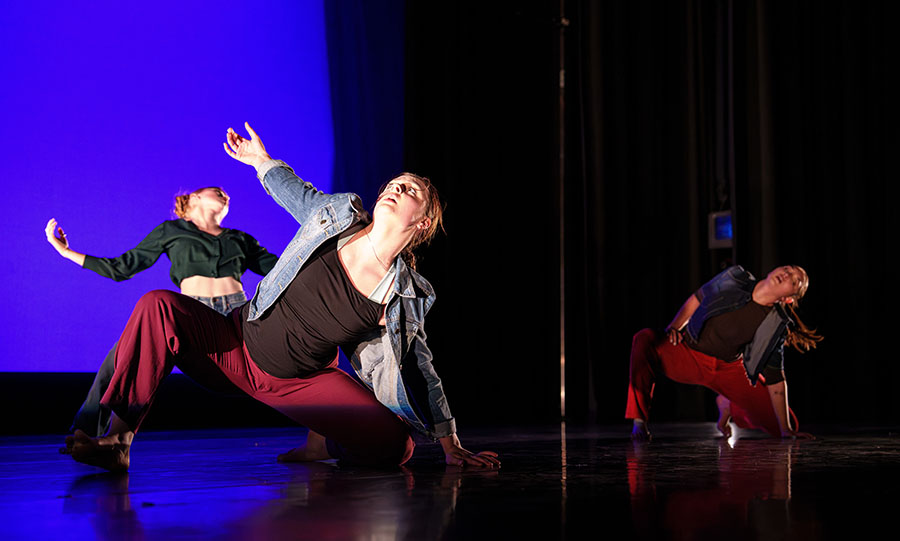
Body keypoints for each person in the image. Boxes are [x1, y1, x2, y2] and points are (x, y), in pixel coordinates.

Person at [66, 122, 500, 472]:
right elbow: (297, 192)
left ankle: (326, 445)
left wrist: (450, 442)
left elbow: (419, 365)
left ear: (423, 223)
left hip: (300, 383)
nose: (397, 188)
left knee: (397, 447)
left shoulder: (403, 292)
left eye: (412, 191)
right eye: (395, 183)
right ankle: (117, 441)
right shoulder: (337, 216)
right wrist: (261, 160)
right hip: (235, 344)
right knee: (156, 305)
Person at [46, 186, 278, 437]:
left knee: (291, 356)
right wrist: (67, 252)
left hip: (236, 314)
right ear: (196, 197)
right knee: (122, 354)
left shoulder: (241, 239)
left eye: (227, 194)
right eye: (217, 191)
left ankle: (318, 439)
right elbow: (122, 268)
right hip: (192, 312)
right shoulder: (171, 230)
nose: (227, 195)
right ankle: (89, 430)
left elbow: (280, 270)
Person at [625, 264, 823, 440]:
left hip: (728, 369)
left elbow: (775, 379)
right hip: (689, 354)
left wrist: (786, 429)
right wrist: (675, 327)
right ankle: (639, 421)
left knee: (786, 426)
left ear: (788, 299)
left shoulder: (776, 325)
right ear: (774, 269)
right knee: (644, 339)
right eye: (787, 269)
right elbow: (698, 297)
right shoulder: (735, 277)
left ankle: (728, 403)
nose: (787, 275)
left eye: (795, 281)